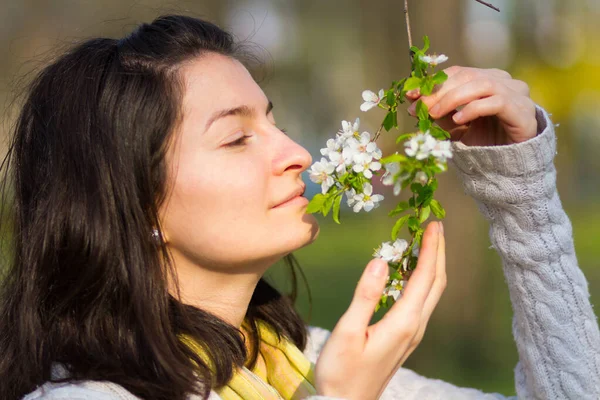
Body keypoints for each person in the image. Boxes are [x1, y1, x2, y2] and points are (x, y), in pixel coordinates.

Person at [0, 14, 597, 400]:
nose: (296, 154)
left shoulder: (300, 363)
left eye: (274, 120)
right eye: (236, 138)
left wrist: (523, 197)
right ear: (133, 204)